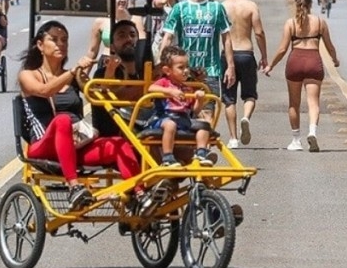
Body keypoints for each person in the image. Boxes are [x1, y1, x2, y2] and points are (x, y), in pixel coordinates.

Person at [18, 20, 140, 209]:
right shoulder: (28, 75)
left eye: (65, 40)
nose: (61, 44)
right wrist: (74, 71)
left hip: (76, 146)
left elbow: (99, 95)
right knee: (63, 121)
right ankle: (74, 187)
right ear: (40, 45)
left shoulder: (76, 76)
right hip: (43, 147)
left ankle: (139, 194)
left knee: (118, 143)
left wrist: (110, 71)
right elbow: (44, 91)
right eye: (54, 40)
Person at [264, 0, 340, 152]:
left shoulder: (290, 23)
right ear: (311, 3)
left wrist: (271, 65)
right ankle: (312, 132)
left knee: (294, 103)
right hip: (313, 61)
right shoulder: (320, 22)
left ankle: (296, 140)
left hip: (295, 61)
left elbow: (283, 49)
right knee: (313, 102)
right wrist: (335, 60)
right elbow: (329, 46)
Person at [159, 0, 236, 109]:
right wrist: (161, 65)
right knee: (184, 110)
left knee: (207, 112)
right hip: (184, 72)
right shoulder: (179, 8)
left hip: (210, 70)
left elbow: (226, 38)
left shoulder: (216, 8)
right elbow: (168, 37)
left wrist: (231, 67)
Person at [221, 0, 268, 149]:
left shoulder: (221, 7)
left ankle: (233, 138)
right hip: (246, 53)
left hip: (228, 55)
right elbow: (259, 33)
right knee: (249, 95)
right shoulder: (250, 6)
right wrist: (264, 56)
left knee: (229, 98)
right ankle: (246, 117)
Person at [148, 45, 215, 167]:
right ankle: (167, 156)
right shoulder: (164, 82)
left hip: (183, 118)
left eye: (187, 67)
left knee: (204, 125)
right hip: (163, 117)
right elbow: (151, 88)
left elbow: (194, 110)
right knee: (170, 125)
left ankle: (201, 152)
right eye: (181, 67)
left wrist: (199, 99)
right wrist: (170, 91)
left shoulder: (187, 87)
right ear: (167, 71)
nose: (186, 71)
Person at [90, 20, 144, 138]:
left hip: (145, 131)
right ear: (113, 47)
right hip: (113, 137)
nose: (129, 39)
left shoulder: (145, 72)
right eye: (122, 36)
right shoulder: (102, 74)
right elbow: (114, 98)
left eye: (132, 35)